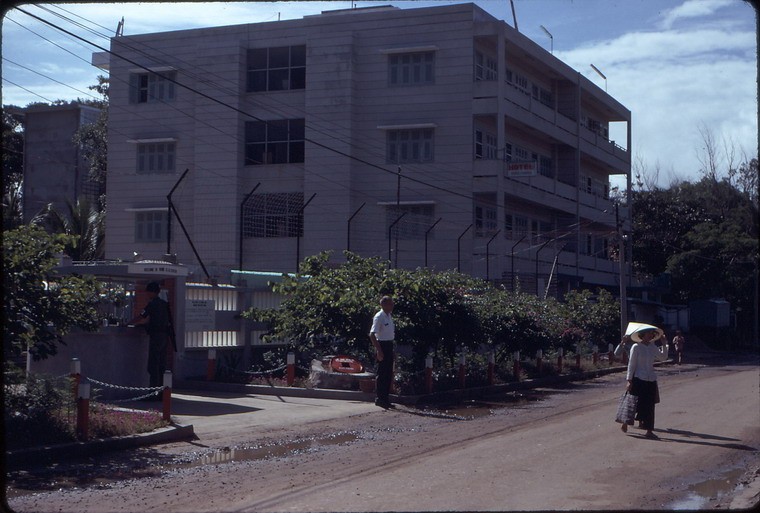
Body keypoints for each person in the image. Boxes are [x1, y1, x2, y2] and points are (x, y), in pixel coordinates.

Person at [622, 326, 668, 439]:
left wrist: (664, 344)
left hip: (651, 379)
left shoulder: (653, 347)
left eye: (652, 334)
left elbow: (663, 358)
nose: (650, 335)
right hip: (638, 378)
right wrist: (629, 380)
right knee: (634, 403)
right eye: (648, 333)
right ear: (642, 335)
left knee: (650, 405)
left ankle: (649, 430)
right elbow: (631, 364)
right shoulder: (636, 347)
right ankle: (625, 422)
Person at [133, 282, 173, 400]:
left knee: (153, 366)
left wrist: (128, 323)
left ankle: (152, 393)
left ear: (151, 292)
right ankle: (162, 393)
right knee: (162, 365)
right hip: (164, 337)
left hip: (155, 337)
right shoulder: (164, 304)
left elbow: (142, 316)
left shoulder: (153, 304)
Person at [369, 296, 395, 409]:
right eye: (390, 304)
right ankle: (380, 398)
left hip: (389, 345)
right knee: (382, 373)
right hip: (382, 345)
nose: (392, 306)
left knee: (388, 373)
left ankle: (386, 398)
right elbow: (372, 334)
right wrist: (379, 351)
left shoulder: (389, 316)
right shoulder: (379, 316)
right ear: (383, 304)